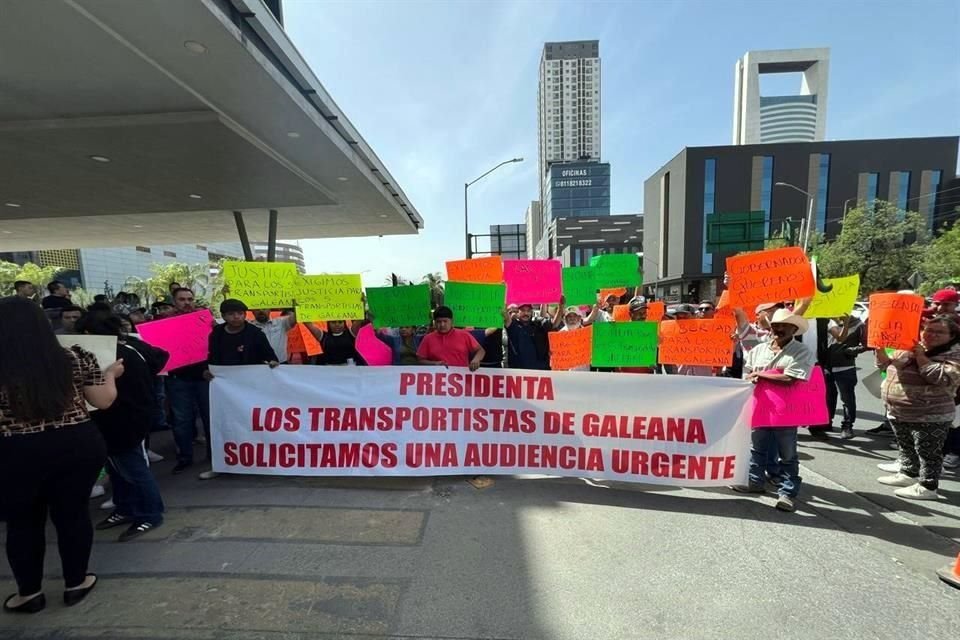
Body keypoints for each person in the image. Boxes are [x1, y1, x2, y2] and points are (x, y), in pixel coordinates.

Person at [0, 296, 123, 612]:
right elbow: (104, 400)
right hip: (76, 445)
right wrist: (111, 375)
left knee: (22, 522)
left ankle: (29, 593)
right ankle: (75, 582)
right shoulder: (73, 357)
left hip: (15, 450)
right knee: (73, 514)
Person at [78, 313, 169, 542]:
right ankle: (126, 507)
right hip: (113, 421)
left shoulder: (116, 356)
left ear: (89, 334)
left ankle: (150, 513)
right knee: (116, 468)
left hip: (124, 422)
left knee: (134, 468)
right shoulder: (126, 347)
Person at [732, 308, 815, 513]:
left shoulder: (801, 351)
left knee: (787, 454)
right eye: (776, 325)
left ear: (794, 329)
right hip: (760, 407)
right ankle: (755, 482)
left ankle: (787, 493)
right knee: (757, 449)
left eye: (784, 326)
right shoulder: (759, 350)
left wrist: (761, 375)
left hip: (785, 411)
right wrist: (755, 376)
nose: (778, 329)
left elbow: (791, 378)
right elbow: (748, 373)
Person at [875, 315, 960, 500]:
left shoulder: (953, 355)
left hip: (930, 414)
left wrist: (921, 356)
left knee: (927, 451)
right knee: (906, 446)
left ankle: (928, 486)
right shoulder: (910, 346)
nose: (932, 334)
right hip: (900, 410)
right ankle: (908, 474)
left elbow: (941, 378)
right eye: (929, 330)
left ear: (952, 336)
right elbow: (886, 366)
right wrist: (880, 350)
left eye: (939, 332)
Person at [203, 299, 280, 479]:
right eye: (231, 314)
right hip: (224, 389)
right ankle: (222, 464)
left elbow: (270, 356)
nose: (236, 317)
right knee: (225, 425)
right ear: (223, 317)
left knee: (254, 423)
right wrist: (207, 371)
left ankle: (261, 461)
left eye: (239, 313)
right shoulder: (216, 334)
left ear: (245, 315)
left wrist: (273, 363)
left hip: (252, 387)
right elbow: (211, 358)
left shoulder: (255, 334)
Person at [165, 287, 211, 475]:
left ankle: (214, 456)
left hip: (203, 376)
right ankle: (184, 457)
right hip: (178, 378)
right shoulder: (164, 322)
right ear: (174, 301)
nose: (187, 302)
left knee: (209, 418)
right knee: (182, 420)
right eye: (182, 299)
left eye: (190, 299)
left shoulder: (204, 319)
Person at [820, 314, 867, 440]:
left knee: (847, 399)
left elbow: (866, 345)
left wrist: (849, 351)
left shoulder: (859, 325)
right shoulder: (829, 322)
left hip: (845, 367)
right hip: (827, 366)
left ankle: (847, 426)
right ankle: (827, 421)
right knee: (828, 396)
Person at [417, 306, 485, 370]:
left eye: (445, 321)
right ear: (434, 322)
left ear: (452, 321)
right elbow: (420, 360)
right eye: (438, 322)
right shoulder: (428, 338)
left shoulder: (464, 335)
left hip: (462, 378)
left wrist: (476, 360)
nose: (442, 325)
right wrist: (435, 363)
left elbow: (481, 351)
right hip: (437, 378)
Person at [504, 304, 554, 370]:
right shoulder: (513, 325)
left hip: (540, 371)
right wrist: (505, 307)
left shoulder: (537, 325)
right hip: (518, 372)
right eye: (523, 310)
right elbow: (504, 315)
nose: (526, 313)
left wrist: (561, 308)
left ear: (532, 313)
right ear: (517, 312)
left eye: (528, 311)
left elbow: (554, 323)